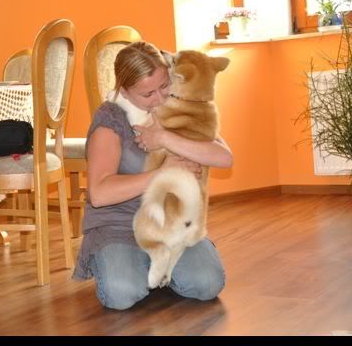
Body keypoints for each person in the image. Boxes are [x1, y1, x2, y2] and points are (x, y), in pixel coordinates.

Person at [73, 41, 233, 310]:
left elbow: (224, 158)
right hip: (119, 227)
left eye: (164, 85)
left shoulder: (176, 104)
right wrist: (163, 173)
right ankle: (143, 269)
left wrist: (164, 138)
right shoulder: (111, 119)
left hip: (173, 225)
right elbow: (99, 194)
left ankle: (156, 270)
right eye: (147, 94)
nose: (159, 98)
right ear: (124, 90)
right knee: (121, 294)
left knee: (207, 284)